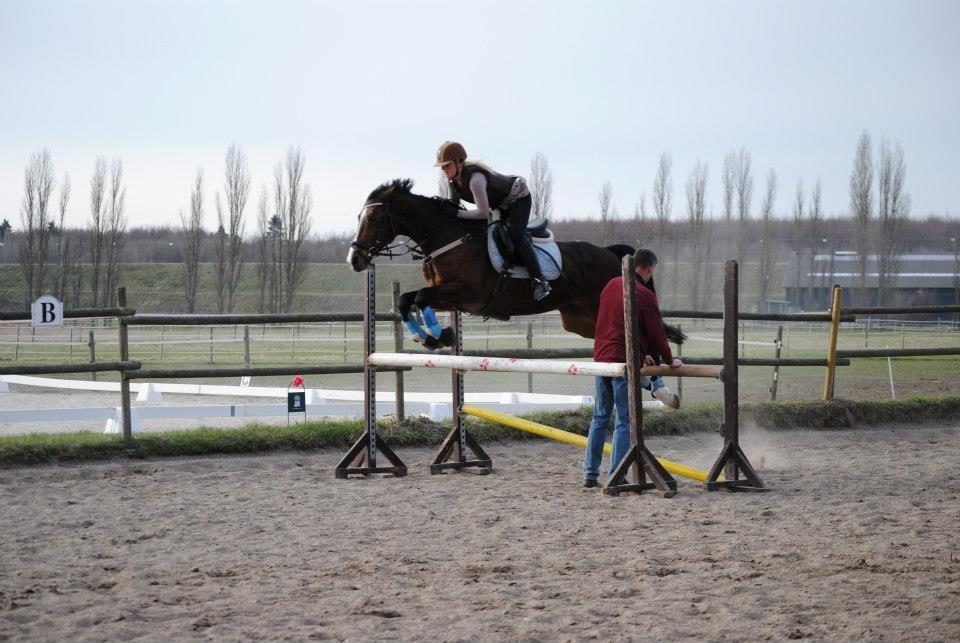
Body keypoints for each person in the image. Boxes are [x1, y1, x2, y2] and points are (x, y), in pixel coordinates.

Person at [582, 248, 682, 488]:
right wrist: (669, 360)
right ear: (649, 269)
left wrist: (640, 352)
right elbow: (658, 334)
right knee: (625, 421)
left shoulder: (609, 286)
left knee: (599, 418)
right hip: (623, 361)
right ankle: (617, 474)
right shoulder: (645, 295)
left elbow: (613, 324)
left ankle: (590, 474)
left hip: (602, 359)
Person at [434, 141, 551, 301]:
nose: (443, 169)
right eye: (442, 166)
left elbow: (481, 213)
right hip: (498, 204)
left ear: (458, 162)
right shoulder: (453, 181)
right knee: (491, 234)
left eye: (446, 165)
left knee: (515, 235)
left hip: (518, 198)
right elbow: (452, 207)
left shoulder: (475, 180)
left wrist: (456, 213)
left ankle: (540, 281)